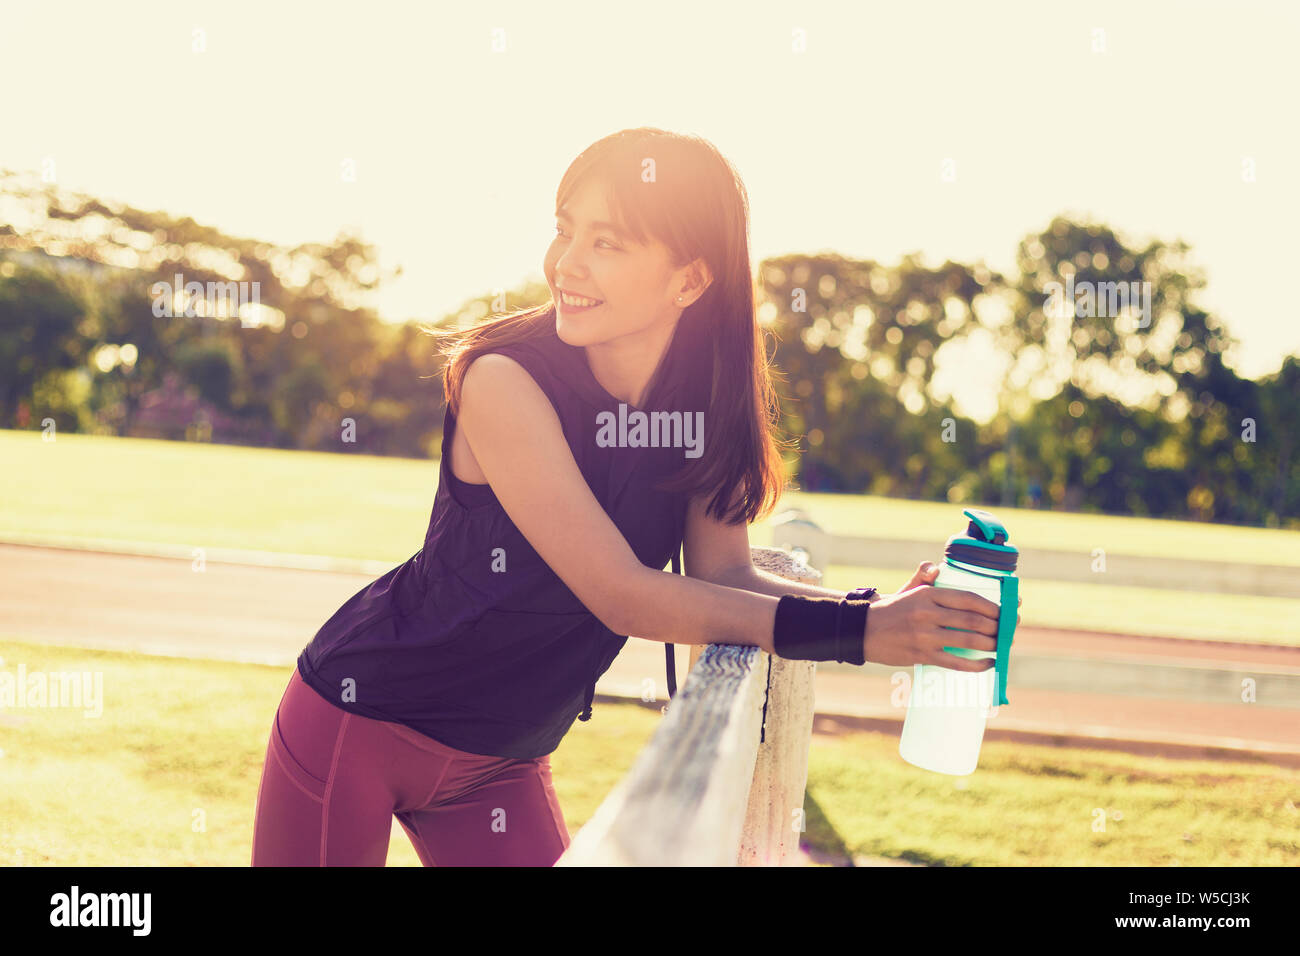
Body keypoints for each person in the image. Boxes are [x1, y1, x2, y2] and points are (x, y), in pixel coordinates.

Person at [250, 127, 1005, 867]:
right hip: (360, 721)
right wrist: (864, 635)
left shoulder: (707, 403)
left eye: (606, 243)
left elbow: (724, 577)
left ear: (690, 279)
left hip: (500, 764)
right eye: (564, 231)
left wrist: (876, 612)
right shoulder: (501, 379)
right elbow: (622, 594)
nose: (565, 265)